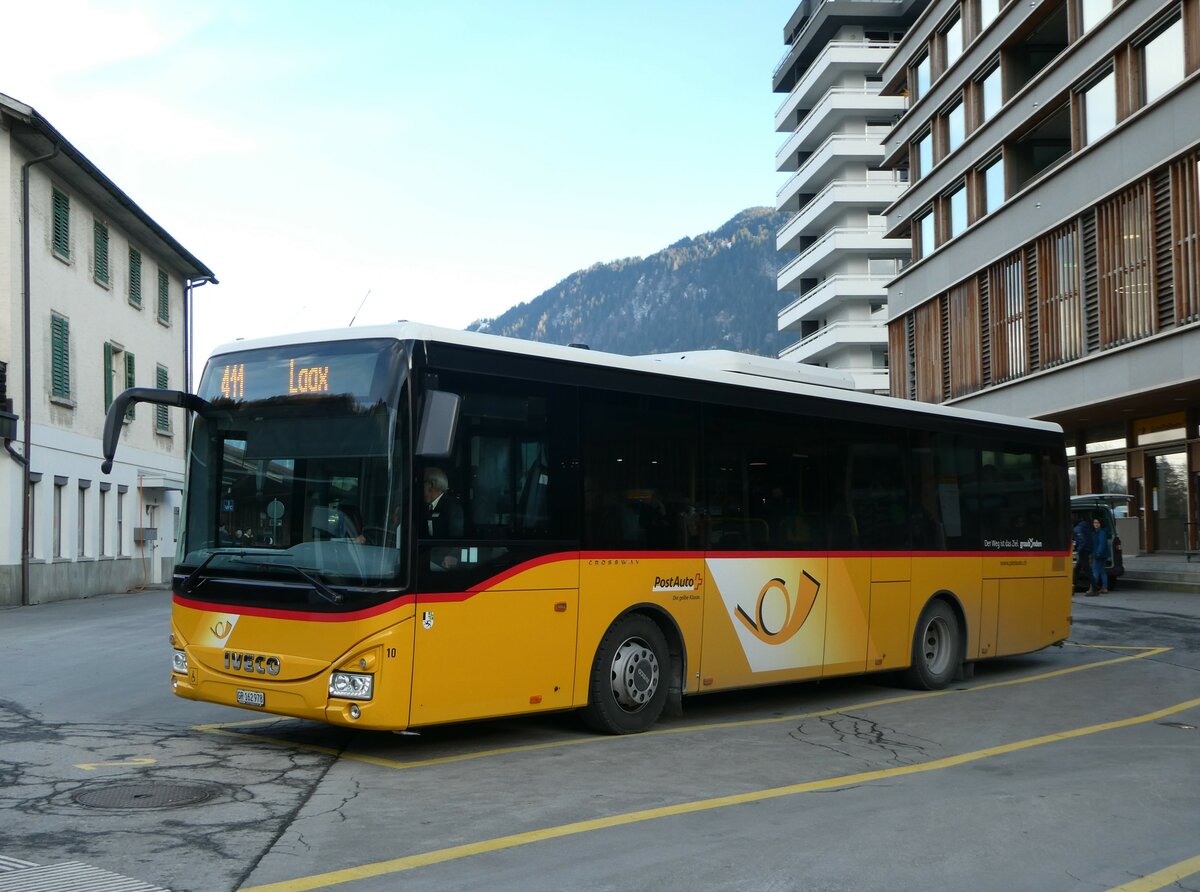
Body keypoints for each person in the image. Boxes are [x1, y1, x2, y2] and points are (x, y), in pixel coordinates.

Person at [423, 467, 463, 570]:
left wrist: (453, 555)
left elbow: (457, 536)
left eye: (422, 484)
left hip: (443, 563)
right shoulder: (425, 507)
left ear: (431, 485)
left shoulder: (452, 507)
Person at [1089, 516, 1109, 595]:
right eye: (1094, 523)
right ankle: (1104, 587)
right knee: (1102, 571)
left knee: (1095, 571)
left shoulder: (1101, 532)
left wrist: (1098, 553)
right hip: (1102, 554)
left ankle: (1093, 588)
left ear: (1101, 524)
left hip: (1099, 554)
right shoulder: (1098, 532)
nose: (1096, 524)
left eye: (1097, 523)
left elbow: (1102, 544)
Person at [1073, 517, 1093, 591]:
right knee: (1077, 570)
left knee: (1086, 570)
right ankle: (1073, 585)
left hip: (1083, 552)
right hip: (1087, 550)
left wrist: (1078, 549)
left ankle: (1094, 588)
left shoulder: (1077, 529)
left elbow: (1081, 541)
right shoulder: (1086, 527)